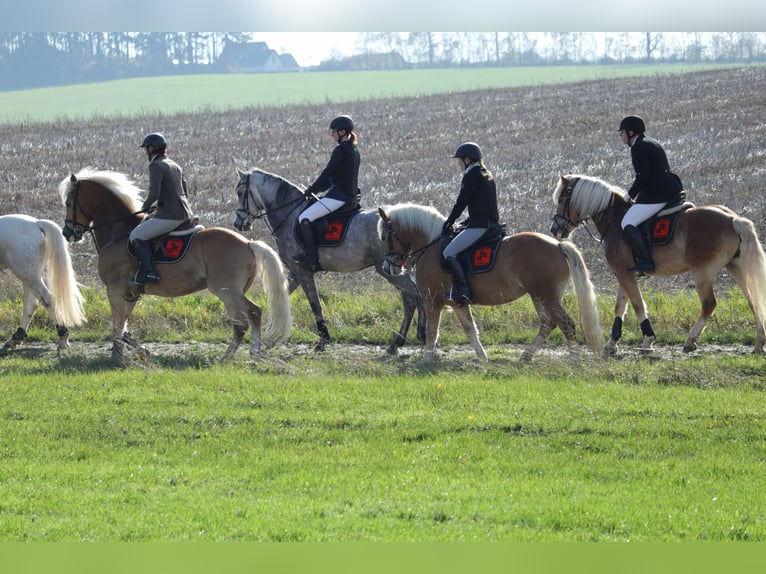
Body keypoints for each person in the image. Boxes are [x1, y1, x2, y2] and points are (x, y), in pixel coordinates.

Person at [293, 114, 361, 270]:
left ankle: (311, 256)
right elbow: (335, 177)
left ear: (343, 132)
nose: (332, 134)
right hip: (350, 196)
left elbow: (327, 173)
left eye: (334, 131)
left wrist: (311, 189)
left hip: (340, 197)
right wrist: (317, 189)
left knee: (304, 217)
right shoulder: (354, 149)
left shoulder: (340, 150)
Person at [619, 115, 684, 274]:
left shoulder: (638, 147)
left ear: (631, 132)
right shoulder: (651, 142)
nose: (620, 136)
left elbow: (643, 177)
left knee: (627, 222)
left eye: (622, 132)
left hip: (657, 193)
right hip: (671, 187)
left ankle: (646, 262)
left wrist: (629, 195)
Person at [129, 132, 194, 285]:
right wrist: (158, 205)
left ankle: (150, 273)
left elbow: (154, 193)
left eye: (147, 148)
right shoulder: (174, 165)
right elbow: (184, 189)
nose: (146, 152)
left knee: (135, 236)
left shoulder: (155, 165)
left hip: (170, 216)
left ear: (152, 149)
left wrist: (145, 207)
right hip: (186, 213)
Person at [441, 142, 500, 305]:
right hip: (488, 223)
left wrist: (449, 222)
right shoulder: (485, 173)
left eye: (459, 160)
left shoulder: (471, 175)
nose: (458, 163)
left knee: (449, 252)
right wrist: (463, 223)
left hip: (481, 225)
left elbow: (461, 202)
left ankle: (464, 291)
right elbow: (482, 205)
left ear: (467, 159)